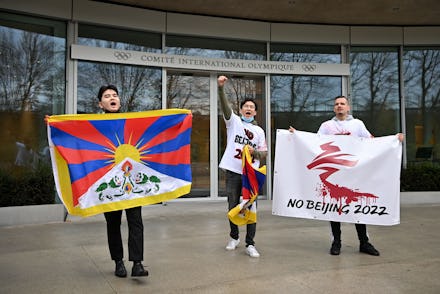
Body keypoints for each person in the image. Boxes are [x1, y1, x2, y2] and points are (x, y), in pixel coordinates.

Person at [289, 95, 404, 256]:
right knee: (334, 208)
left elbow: (372, 142)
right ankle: (336, 242)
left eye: (342, 103)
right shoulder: (326, 126)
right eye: (336, 104)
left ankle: (364, 242)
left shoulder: (357, 124)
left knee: (358, 207)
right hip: (335, 175)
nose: (339, 106)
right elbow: (315, 142)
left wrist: (393, 140)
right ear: (334, 108)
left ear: (348, 107)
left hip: (355, 174)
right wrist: (297, 135)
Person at [97, 85, 149, 277]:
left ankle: (137, 263)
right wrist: (54, 125)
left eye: (115, 95)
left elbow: (154, 129)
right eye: (107, 96)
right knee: (113, 224)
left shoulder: (131, 122)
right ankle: (118, 262)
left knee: (136, 221)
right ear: (100, 103)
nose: (112, 98)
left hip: (132, 181)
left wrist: (182, 118)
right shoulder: (94, 124)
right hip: (108, 182)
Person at [217, 75, 268, 258]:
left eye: (252, 107)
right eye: (246, 106)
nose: (248, 109)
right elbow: (224, 107)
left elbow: (264, 153)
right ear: (241, 110)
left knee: (250, 207)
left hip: (250, 175)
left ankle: (250, 243)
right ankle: (234, 237)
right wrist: (221, 89)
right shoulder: (234, 122)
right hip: (233, 171)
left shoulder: (259, 131)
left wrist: (253, 153)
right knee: (232, 204)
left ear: (255, 112)